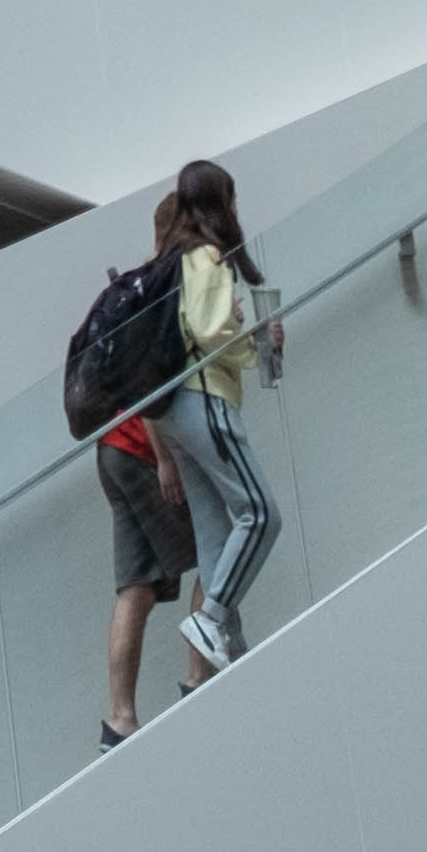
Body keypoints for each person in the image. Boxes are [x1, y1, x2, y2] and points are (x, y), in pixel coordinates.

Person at [162, 155, 288, 679]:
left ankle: (229, 650)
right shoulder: (208, 257)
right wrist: (256, 344)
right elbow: (211, 335)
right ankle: (213, 620)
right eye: (231, 199)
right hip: (204, 398)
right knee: (261, 513)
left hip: (173, 412)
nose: (235, 209)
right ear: (220, 203)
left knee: (216, 539)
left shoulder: (172, 259)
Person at [92, 378, 192, 742]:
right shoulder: (147, 316)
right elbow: (143, 380)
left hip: (113, 447)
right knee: (221, 544)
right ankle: (199, 677)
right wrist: (165, 459)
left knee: (137, 589)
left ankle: (120, 720)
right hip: (141, 448)